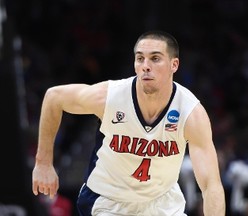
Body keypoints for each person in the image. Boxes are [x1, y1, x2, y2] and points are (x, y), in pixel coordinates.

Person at [32, 30, 226, 216]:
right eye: (140, 58)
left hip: (161, 203)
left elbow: (211, 185)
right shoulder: (110, 97)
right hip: (108, 201)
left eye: (155, 58)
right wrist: (43, 163)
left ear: (174, 65)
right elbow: (54, 97)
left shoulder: (191, 113)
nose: (146, 65)